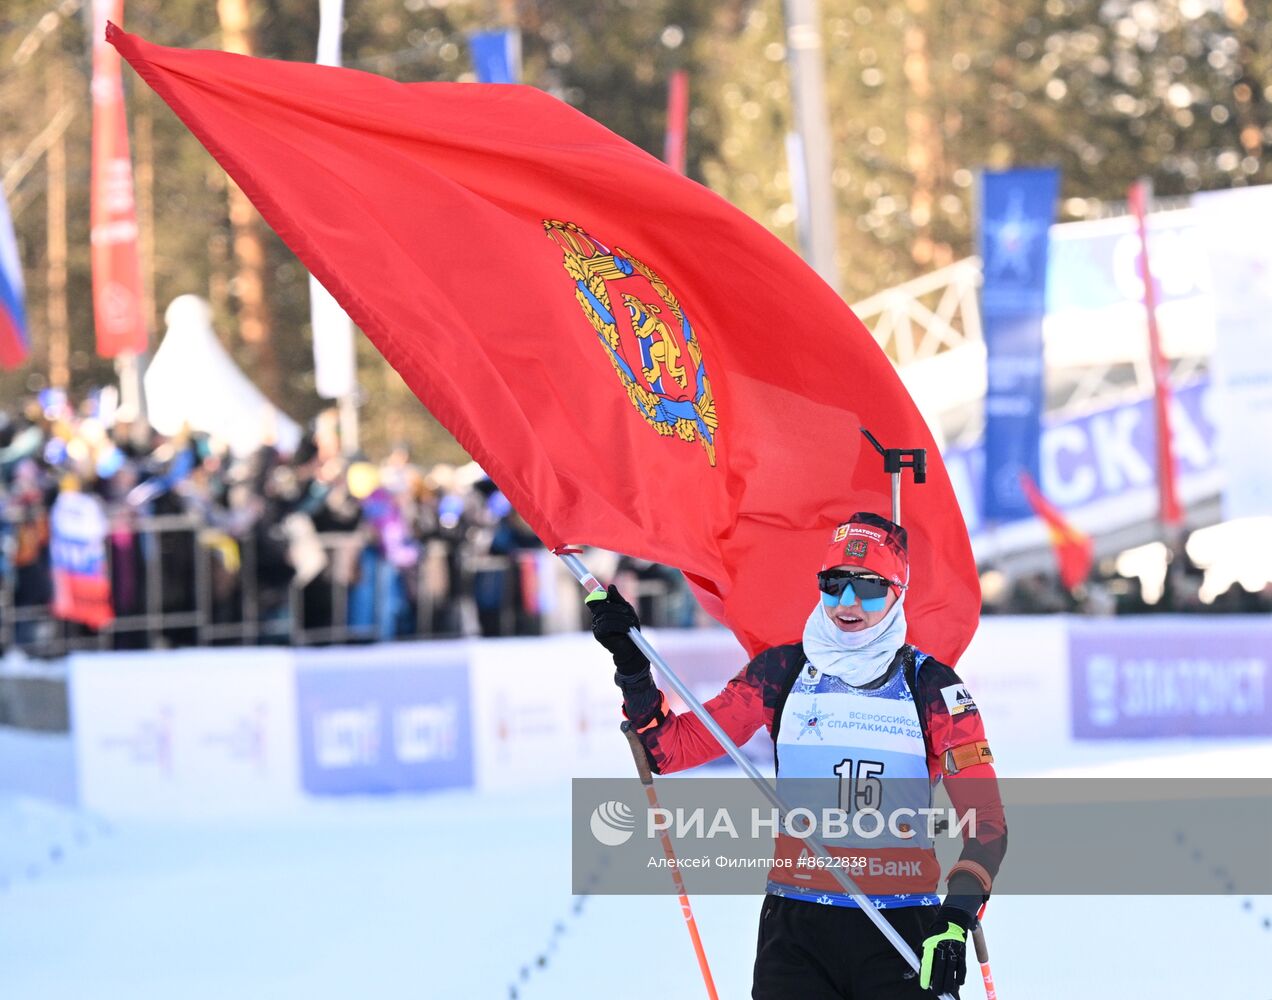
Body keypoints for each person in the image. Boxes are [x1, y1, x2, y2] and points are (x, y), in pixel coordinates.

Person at [587, 512, 1006, 999]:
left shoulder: (931, 686)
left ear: (897, 592)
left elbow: (987, 823)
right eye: (834, 585)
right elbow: (671, 749)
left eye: (868, 587)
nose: (847, 604)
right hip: (797, 931)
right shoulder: (779, 672)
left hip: (902, 924)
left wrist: (956, 916)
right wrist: (632, 664)